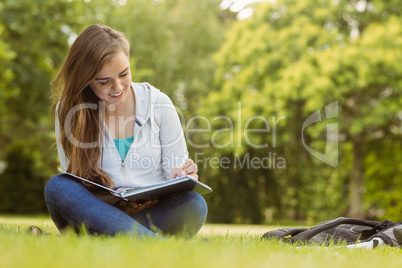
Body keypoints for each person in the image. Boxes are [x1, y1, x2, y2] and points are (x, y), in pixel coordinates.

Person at [44, 24, 208, 238]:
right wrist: (118, 205)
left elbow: (174, 170)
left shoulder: (159, 104)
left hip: (150, 212)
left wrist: (182, 175)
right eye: (104, 81)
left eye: (124, 74)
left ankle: (107, 238)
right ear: (85, 80)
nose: (118, 86)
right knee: (59, 187)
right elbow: (75, 180)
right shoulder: (69, 111)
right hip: (97, 212)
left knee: (194, 204)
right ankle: (155, 243)